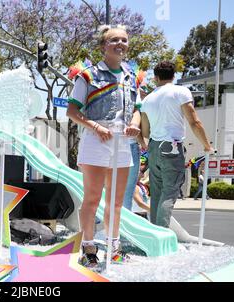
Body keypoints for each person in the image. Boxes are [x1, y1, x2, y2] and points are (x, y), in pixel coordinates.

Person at [67, 25, 141, 268]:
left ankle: (114, 247)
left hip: (122, 142)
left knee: (117, 202)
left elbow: (138, 110)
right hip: (96, 140)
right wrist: (96, 127)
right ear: (103, 46)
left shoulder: (131, 76)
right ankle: (88, 248)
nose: (120, 43)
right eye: (114, 40)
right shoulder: (87, 75)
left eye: (124, 40)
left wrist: (133, 124)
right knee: (92, 199)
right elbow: (73, 111)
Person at [141, 61, 214, 228]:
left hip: (154, 148)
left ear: (156, 77)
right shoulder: (181, 91)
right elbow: (194, 121)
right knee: (170, 192)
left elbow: (145, 132)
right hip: (171, 147)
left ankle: (155, 232)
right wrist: (207, 146)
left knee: (157, 194)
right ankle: (162, 235)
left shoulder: (148, 99)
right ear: (174, 76)